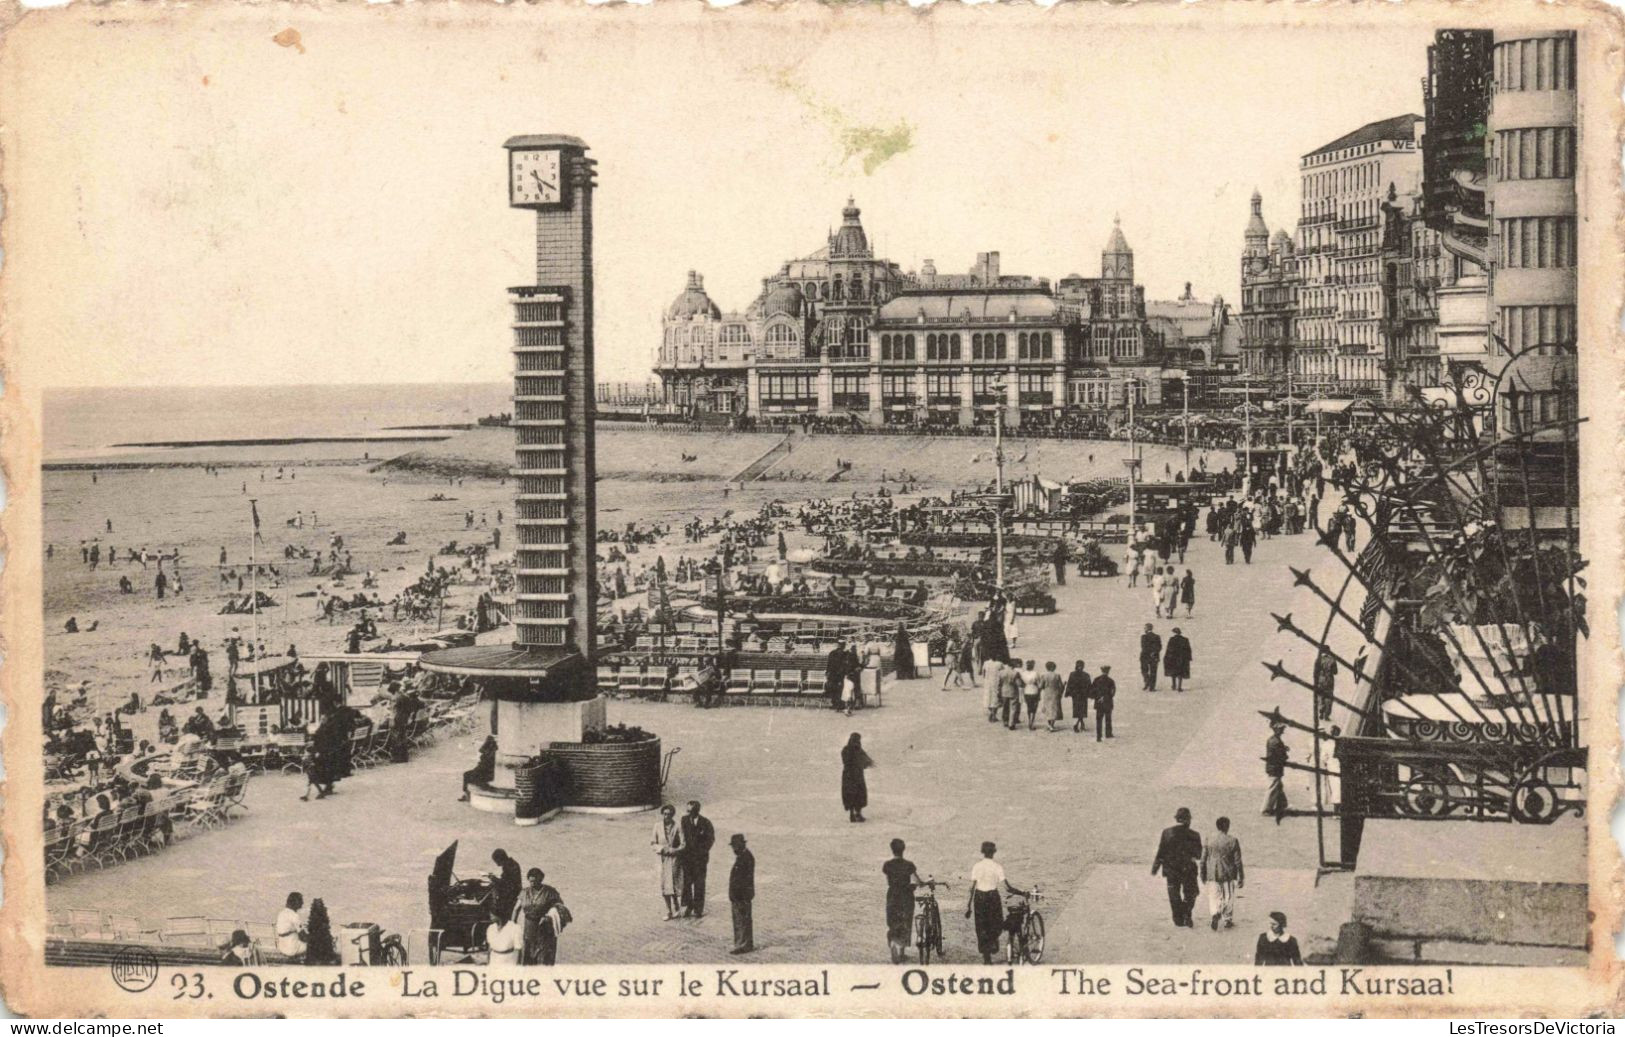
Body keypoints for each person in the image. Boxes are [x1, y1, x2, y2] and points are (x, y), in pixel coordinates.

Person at [964, 842, 1026, 965]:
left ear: (982, 852)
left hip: (979, 898)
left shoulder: (977, 866)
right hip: (992, 897)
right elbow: (1007, 888)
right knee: (995, 924)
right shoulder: (997, 867)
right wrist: (1021, 893)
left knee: (981, 927)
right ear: (994, 852)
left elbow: (972, 888)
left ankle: (987, 957)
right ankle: (992, 946)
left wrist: (968, 906)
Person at [1151, 807, 1203, 928]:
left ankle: (1178, 918)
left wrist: (1155, 868)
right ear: (1188, 820)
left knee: (1173, 894)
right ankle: (1186, 913)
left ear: (1177, 819)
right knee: (1191, 893)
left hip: (1171, 870)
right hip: (1188, 870)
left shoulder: (1167, 833)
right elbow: (1199, 855)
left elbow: (1161, 852)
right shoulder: (1195, 835)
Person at [1200, 816, 1244, 931]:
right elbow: (1238, 861)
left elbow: (1203, 859)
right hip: (1227, 872)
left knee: (1214, 895)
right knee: (1228, 896)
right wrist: (1241, 877)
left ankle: (1215, 913)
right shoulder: (1233, 840)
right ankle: (1227, 919)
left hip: (1212, 872)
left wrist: (1202, 873)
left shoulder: (1209, 839)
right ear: (1227, 826)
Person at [516, 868, 565, 965]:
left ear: (540, 879)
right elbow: (516, 908)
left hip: (545, 928)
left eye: (535, 881)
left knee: (544, 956)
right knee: (528, 954)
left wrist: (548, 917)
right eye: (530, 881)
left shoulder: (550, 892)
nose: (532, 884)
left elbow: (560, 907)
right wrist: (512, 924)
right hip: (529, 927)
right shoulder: (524, 892)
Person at [882, 838, 919, 964]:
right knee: (905, 921)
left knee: (893, 919)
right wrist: (916, 885)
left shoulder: (887, 865)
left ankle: (893, 942)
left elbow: (889, 881)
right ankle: (902, 952)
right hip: (906, 895)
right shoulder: (909, 865)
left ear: (892, 850)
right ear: (903, 850)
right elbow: (917, 881)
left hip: (892, 894)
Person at [678, 800, 716, 918]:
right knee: (687, 883)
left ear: (697, 811)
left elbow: (710, 839)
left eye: (692, 811)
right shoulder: (684, 820)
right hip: (687, 859)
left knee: (699, 883)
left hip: (700, 860)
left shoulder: (706, 823)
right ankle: (688, 907)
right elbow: (681, 836)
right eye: (688, 811)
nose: (689, 813)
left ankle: (698, 909)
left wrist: (702, 852)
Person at [653, 803, 685, 920]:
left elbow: (683, 844)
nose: (666, 816)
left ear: (672, 815)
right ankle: (668, 911)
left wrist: (674, 850)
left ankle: (676, 906)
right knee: (664, 886)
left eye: (669, 814)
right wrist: (660, 849)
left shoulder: (677, 827)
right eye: (665, 814)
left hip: (674, 859)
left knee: (673, 884)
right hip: (661, 859)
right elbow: (653, 842)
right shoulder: (657, 826)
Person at [728, 833, 755, 954]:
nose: (733, 849)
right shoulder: (743, 856)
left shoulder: (746, 858)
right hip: (739, 895)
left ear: (740, 845)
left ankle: (743, 944)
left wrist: (737, 894)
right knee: (740, 919)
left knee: (742, 920)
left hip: (742, 895)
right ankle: (741, 943)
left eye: (735, 846)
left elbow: (744, 879)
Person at [841, 733, 872, 823]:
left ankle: (856, 814)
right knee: (854, 794)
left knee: (857, 794)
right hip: (852, 776)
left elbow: (866, 761)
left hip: (852, 776)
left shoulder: (854, 750)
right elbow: (847, 761)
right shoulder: (851, 750)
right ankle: (854, 814)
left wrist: (867, 763)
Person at [1263, 720, 1290, 824]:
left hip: (1274, 767)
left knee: (1278, 786)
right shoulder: (1275, 741)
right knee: (1273, 787)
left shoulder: (1274, 739)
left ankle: (1283, 805)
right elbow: (1279, 754)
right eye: (1282, 728)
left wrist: (1284, 748)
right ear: (1277, 729)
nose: (1283, 730)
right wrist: (1285, 754)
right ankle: (1265, 809)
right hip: (1274, 767)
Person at [460, 736, 497, 801]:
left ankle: (467, 795)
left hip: (485, 774)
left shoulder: (488, 755)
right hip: (485, 772)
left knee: (466, 775)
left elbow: (482, 767)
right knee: (467, 774)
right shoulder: (492, 752)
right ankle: (466, 794)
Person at [491, 849, 523, 923]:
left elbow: (507, 884)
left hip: (510, 898)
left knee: (503, 918)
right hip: (512, 896)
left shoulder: (509, 866)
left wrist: (494, 879)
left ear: (500, 859)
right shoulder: (511, 864)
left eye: (496, 861)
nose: (496, 864)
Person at [1036, 661, 1065, 732]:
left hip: (1047, 693)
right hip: (1055, 693)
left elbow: (1040, 686)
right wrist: (1064, 685)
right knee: (1054, 709)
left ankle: (1049, 725)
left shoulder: (1044, 675)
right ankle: (1052, 725)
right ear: (1053, 667)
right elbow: (1060, 686)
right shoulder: (1057, 675)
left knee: (1048, 709)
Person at [275, 892, 306, 958]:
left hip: (282, 946)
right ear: (295, 902)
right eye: (301, 901)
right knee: (316, 945)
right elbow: (303, 937)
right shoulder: (294, 915)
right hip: (292, 948)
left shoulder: (281, 913)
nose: (302, 903)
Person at [1064, 660, 1091, 733]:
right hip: (1082, 695)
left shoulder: (1072, 674)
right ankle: (1078, 724)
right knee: (1082, 710)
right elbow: (1089, 686)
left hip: (1076, 695)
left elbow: (1069, 684)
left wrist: (1067, 693)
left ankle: (1080, 724)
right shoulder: (1086, 675)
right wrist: (1090, 694)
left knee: (1078, 710)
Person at [999, 658, 1026, 729]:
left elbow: (999, 683)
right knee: (1013, 708)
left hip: (1004, 691)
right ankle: (1011, 723)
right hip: (1013, 691)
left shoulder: (1001, 672)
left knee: (1005, 707)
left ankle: (1005, 721)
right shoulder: (1015, 673)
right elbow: (1019, 684)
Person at [1313, 645, 1337, 721]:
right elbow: (1335, 672)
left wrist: (1316, 681)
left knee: (1320, 696)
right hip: (1329, 679)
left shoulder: (1318, 659)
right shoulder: (1332, 660)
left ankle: (1321, 710)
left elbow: (1315, 673)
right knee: (1329, 697)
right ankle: (1326, 714)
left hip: (1320, 679)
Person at [1092, 666, 1116, 741]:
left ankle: (1099, 736)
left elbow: (1092, 691)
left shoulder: (1096, 680)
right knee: (1108, 719)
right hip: (1107, 702)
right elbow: (1113, 692)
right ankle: (1108, 733)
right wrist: (1106, 697)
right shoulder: (1111, 681)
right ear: (1108, 671)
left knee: (1099, 719)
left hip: (1099, 703)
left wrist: (1098, 697)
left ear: (1101, 671)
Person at [1164, 628, 1192, 692]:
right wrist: (1189, 658)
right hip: (1182, 659)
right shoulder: (1185, 639)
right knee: (1180, 673)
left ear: (1174, 633)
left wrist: (1166, 657)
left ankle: (1174, 685)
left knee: (1173, 672)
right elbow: (1188, 650)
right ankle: (1179, 687)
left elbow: (1169, 649)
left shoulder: (1172, 639)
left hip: (1173, 658)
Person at [1139, 624, 1162, 692]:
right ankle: (1152, 687)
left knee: (1144, 671)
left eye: (1145, 628)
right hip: (1154, 657)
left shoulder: (1143, 636)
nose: (1144, 629)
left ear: (1147, 629)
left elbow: (1143, 647)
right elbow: (1159, 646)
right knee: (1153, 672)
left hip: (1145, 656)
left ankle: (1147, 681)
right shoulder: (1157, 636)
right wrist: (1154, 652)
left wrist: (1149, 652)